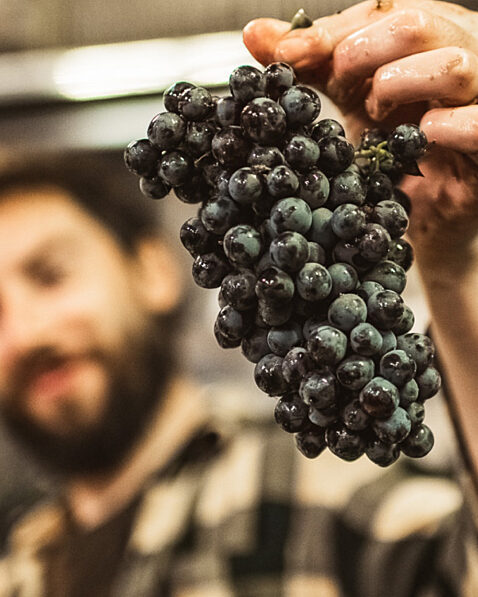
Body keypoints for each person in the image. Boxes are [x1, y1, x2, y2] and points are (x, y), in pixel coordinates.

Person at [0, 0, 478, 595]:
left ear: (152, 270)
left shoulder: (313, 488)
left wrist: (457, 266)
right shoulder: (20, 569)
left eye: (49, 275)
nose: (23, 333)